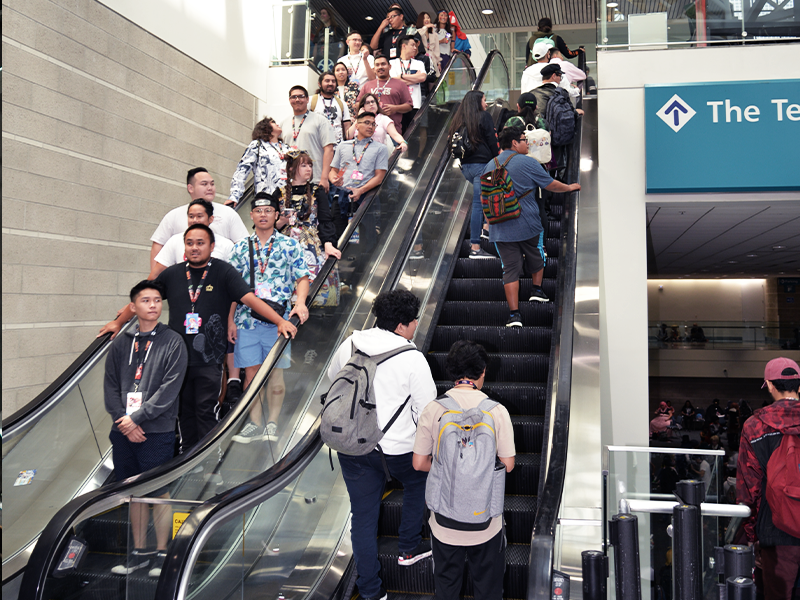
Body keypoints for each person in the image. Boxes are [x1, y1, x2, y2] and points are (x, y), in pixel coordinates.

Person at [99, 223, 302, 450]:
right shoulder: (173, 274)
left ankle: (207, 462)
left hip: (210, 358)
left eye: (200, 243)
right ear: (184, 247)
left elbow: (249, 299)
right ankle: (188, 457)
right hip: (175, 359)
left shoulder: (223, 271)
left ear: (212, 246)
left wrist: (280, 320)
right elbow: (143, 297)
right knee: (183, 411)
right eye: (189, 243)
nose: (194, 247)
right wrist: (119, 322)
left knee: (206, 410)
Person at [328, 289, 437, 600]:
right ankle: (408, 547)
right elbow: (427, 410)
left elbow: (334, 381)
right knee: (420, 480)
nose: (416, 326)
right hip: (397, 449)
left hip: (352, 446)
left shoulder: (350, 343)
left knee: (362, 516)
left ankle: (371, 590)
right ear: (402, 325)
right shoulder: (411, 358)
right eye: (414, 321)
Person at [412, 340, 514, 600]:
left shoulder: (434, 409)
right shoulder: (497, 411)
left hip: (444, 523)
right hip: (487, 522)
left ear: (452, 373)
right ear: (483, 372)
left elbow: (418, 463)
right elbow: (508, 464)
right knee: (488, 590)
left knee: (446, 588)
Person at [105, 280, 187, 578]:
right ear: (133, 307)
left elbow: (170, 388)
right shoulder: (121, 342)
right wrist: (123, 422)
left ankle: (162, 553)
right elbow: (111, 386)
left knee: (158, 492)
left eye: (156, 300)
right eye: (145, 300)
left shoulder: (172, 340)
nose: (153, 305)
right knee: (133, 492)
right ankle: (139, 552)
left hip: (157, 429)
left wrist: (137, 419)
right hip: (124, 429)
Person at [229, 191, 311, 443]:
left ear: (277, 215)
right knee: (251, 373)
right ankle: (254, 423)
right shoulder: (241, 247)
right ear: (251, 215)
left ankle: (272, 424)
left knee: (276, 373)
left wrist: (300, 303)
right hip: (246, 320)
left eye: (268, 211)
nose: (263, 215)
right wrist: (230, 319)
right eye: (258, 211)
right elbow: (232, 287)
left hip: (280, 320)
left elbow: (302, 277)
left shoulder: (290, 245)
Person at [483, 127, 581, 327]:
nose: (527, 143)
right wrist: (570, 187)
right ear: (514, 143)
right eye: (523, 140)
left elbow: (484, 198)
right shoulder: (527, 162)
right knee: (537, 254)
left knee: (509, 269)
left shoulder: (489, 166)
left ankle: (514, 315)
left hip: (499, 227)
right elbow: (550, 184)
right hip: (526, 222)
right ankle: (536, 290)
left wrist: (488, 223)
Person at [737, 357, 800, 600]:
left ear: (770, 385)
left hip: (775, 530)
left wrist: (753, 536)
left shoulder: (755, 426)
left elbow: (748, 487)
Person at [149, 167, 249, 271]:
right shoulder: (173, 215)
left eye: (212, 184)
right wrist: (154, 283)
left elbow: (244, 247)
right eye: (204, 184)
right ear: (190, 188)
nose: (210, 188)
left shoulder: (229, 213)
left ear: (211, 219)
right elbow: (158, 246)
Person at [277, 150, 341, 307]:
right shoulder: (278, 193)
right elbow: (269, 224)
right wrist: (281, 221)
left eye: (310, 166)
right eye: (303, 165)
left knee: (315, 289)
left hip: (312, 242)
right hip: (285, 242)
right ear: (291, 169)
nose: (308, 169)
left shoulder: (316, 191)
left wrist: (328, 243)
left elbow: (325, 219)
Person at [449, 90, 498, 258]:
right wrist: (497, 159)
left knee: (483, 198)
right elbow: (492, 140)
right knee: (478, 204)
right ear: (477, 102)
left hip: (466, 168)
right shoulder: (483, 117)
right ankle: (475, 247)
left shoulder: (458, 120)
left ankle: (486, 229)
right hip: (481, 165)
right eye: (484, 100)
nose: (486, 103)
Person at [152, 200, 234, 273]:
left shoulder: (226, 245)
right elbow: (156, 275)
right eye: (191, 216)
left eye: (199, 216)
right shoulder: (175, 240)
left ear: (211, 219)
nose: (194, 220)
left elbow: (235, 278)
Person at [329, 111, 389, 205]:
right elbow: (333, 170)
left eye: (373, 124)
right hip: (342, 194)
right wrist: (333, 179)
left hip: (366, 197)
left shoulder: (380, 149)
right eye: (367, 123)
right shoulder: (343, 145)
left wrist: (360, 190)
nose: (370, 127)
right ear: (356, 126)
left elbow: (379, 178)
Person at [227, 117, 289, 208]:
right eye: (273, 122)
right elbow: (242, 170)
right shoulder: (257, 145)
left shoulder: (287, 148)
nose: (277, 124)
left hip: (286, 199)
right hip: (265, 199)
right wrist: (234, 195)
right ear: (265, 127)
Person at [358, 54, 413, 134]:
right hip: (370, 131)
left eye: (383, 64)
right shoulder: (367, 85)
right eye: (377, 65)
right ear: (374, 69)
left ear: (389, 67)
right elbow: (357, 104)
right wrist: (368, 108)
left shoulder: (400, 84)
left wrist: (395, 108)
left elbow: (409, 106)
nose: (380, 67)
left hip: (393, 131)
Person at [389, 36, 427, 133]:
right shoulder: (392, 63)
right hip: (398, 104)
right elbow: (392, 81)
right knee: (398, 132)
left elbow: (422, 78)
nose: (415, 48)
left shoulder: (419, 63)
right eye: (412, 45)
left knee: (414, 135)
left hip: (415, 104)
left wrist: (401, 76)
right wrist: (414, 78)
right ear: (404, 46)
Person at [310, 71, 351, 145]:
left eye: (333, 81)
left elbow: (347, 127)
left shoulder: (342, 103)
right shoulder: (311, 101)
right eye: (327, 81)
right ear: (319, 84)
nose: (330, 83)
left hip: (338, 146)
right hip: (317, 145)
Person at [416, 12, 441, 77]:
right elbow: (417, 35)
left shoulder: (434, 34)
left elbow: (436, 49)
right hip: (422, 59)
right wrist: (425, 27)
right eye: (424, 18)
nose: (426, 19)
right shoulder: (417, 31)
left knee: (434, 80)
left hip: (433, 60)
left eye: (428, 18)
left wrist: (439, 63)